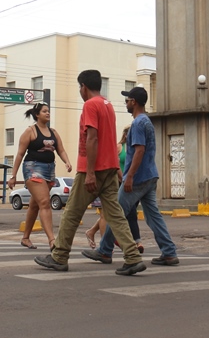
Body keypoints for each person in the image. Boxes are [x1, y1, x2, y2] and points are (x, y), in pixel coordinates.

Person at [34, 70, 145, 275]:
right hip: (109, 168)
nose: (80, 91)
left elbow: (92, 138)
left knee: (72, 213)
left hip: (92, 169)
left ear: (83, 87)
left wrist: (91, 172)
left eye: (79, 87)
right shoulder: (108, 105)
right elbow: (109, 138)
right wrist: (116, 170)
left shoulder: (90, 105)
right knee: (116, 215)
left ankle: (59, 256)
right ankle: (132, 257)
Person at [83, 87, 178, 266]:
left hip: (139, 179)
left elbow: (139, 151)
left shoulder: (138, 124)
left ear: (134, 102)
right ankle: (169, 252)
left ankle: (104, 251)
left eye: (127, 100)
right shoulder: (146, 121)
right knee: (153, 216)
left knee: (115, 213)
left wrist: (130, 176)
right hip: (150, 176)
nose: (126, 103)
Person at [7, 102, 73, 250]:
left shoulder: (54, 132)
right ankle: (52, 240)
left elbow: (60, 150)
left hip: (50, 170)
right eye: (44, 111)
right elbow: (19, 154)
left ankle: (25, 238)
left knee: (34, 205)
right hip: (33, 168)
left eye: (48, 111)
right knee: (44, 202)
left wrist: (67, 162)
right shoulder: (30, 131)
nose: (48, 113)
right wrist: (13, 176)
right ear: (37, 115)